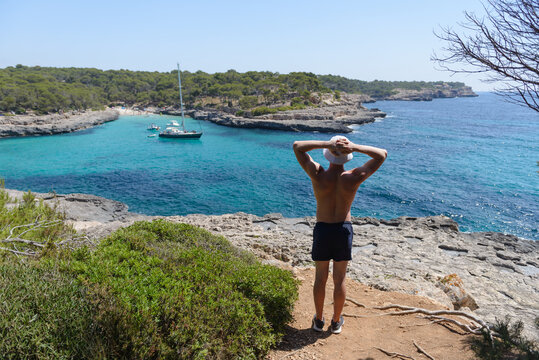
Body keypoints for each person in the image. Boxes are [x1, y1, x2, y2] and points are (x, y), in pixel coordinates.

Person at [293, 135, 387, 334]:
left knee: (320, 278)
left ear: (328, 155)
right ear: (347, 157)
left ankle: (318, 320)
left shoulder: (317, 174)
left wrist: (328, 144)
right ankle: (336, 322)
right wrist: (354, 147)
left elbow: (297, 147)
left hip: (323, 229)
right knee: (340, 279)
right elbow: (382, 155)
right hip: (343, 230)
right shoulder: (354, 176)